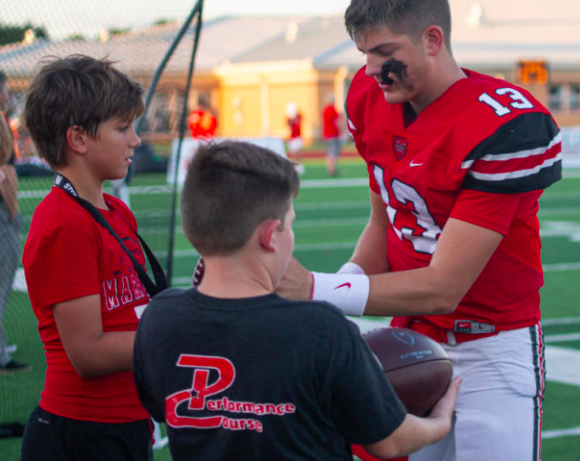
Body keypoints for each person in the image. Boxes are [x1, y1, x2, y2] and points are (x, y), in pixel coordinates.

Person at [279, 0, 562, 461]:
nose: (371, 69)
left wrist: (316, 289)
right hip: (409, 343)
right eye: (365, 53)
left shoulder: (506, 124)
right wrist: (326, 301)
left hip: (490, 347)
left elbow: (444, 285)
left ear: (433, 40)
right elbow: (384, 223)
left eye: (386, 53)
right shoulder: (369, 97)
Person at [133, 140, 460, 461]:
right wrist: (439, 422)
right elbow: (388, 442)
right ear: (269, 235)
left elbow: (160, 406)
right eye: (289, 225)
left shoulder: (159, 318)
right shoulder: (320, 329)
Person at [19, 55, 152, 461]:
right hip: (82, 432)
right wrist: (175, 332)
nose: (136, 141)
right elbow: (88, 353)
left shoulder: (115, 210)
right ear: (78, 139)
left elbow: (129, 313)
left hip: (124, 424)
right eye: (122, 128)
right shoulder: (64, 223)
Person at [0, 69, 26, 372]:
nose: (8, 94)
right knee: (2, 286)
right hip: (3, 217)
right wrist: (13, 212)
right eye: (5, 89)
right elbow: (4, 174)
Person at [322, 93, 342, 176]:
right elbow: (337, 122)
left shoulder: (324, 110)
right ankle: (332, 169)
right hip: (333, 134)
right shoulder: (333, 110)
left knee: (329, 152)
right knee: (333, 152)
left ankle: (329, 168)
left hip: (327, 135)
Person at [285, 101, 305, 174]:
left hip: (298, 137)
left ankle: (299, 166)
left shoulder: (299, 116)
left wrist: (295, 114)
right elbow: (289, 125)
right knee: (293, 154)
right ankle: (295, 166)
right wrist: (291, 117)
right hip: (292, 138)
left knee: (298, 153)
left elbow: (300, 121)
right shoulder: (288, 118)